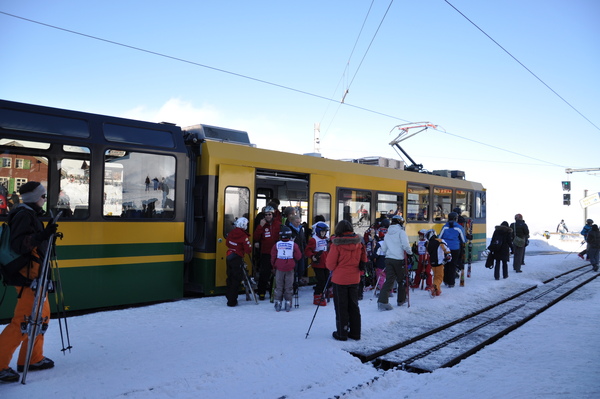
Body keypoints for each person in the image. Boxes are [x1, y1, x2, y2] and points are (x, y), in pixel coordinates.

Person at [0, 181, 58, 383]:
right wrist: (42, 235)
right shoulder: (24, 215)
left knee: (40, 318)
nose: (44, 200)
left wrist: (45, 235)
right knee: (24, 321)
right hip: (29, 277)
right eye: (42, 196)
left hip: (36, 276)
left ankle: (33, 358)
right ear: (34, 198)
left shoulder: (28, 214)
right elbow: (20, 245)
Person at [326, 220, 366, 341]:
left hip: (340, 279)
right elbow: (364, 259)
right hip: (354, 278)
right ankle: (355, 333)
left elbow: (330, 265)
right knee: (354, 306)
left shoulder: (336, 244)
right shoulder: (359, 243)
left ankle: (342, 333)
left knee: (341, 306)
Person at [377, 215, 413, 310]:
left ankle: (382, 301)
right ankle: (401, 300)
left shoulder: (388, 234)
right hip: (399, 260)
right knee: (402, 280)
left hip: (388, 259)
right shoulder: (401, 232)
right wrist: (410, 253)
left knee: (389, 280)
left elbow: (384, 248)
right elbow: (406, 245)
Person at [271, 226, 302, 312]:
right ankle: (288, 303)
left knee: (279, 286)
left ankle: (278, 302)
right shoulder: (293, 245)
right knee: (288, 286)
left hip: (279, 268)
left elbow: (273, 257)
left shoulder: (276, 245)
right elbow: (298, 256)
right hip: (290, 268)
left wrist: (273, 266)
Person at [253, 206, 281, 300]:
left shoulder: (278, 224)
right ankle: (261, 292)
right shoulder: (262, 224)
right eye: (266, 214)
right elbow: (256, 237)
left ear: (272, 215)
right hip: (265, 252)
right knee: (264, 273)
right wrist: (260, 226)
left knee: (276, 273)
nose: (268, 216)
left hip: (277, 252)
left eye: (269, 214)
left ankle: (273, 291)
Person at [225, 217, 252, 307]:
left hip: (229, 256)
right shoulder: (244, 236)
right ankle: (232, 301)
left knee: (230, 277)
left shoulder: (231, 233)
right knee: (236, 279)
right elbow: (248, 250)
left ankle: (229, 296)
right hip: (237, 258)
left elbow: (227, 243)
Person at [438, 212, 466, 287]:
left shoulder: (444, 227)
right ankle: (451, 282)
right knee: (453, 265)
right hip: (455, 248)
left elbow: (440, 237)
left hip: (445, 248)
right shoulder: (459, 227)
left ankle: (446, 280)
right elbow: (463, 240)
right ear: (456, 219)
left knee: (446, 264)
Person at [305, 222, 330, 306]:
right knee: (321, 280)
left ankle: (323, 293)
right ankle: (317, 296)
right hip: (318, 263)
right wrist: (312, 256)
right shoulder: (314, 239)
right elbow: (307, 250)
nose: (323, 233)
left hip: (326, 263)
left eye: (325, 232)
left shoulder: (326, 239)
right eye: (322, 231)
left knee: (327, 279)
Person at [425, 229, 451, 297]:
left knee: (435, 277)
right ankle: (434, 287)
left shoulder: (428, 243)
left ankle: (437, 291)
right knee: (439, 277)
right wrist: (448, 255)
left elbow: (427, 252)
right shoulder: (439, 241)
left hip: (432, 263)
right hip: (440, 262)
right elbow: (446, 248)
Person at [287, 215, 307, 285]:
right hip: (292, 253)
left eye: (299, 222)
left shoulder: (301, 229)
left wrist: (305, 250)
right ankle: (294, 283)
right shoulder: (288, 229)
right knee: (294, 269)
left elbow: (303, 240)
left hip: (301, 252)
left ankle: (299, 279)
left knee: (301, 268)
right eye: (296, 222)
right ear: (291, 221)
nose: (298, 224)